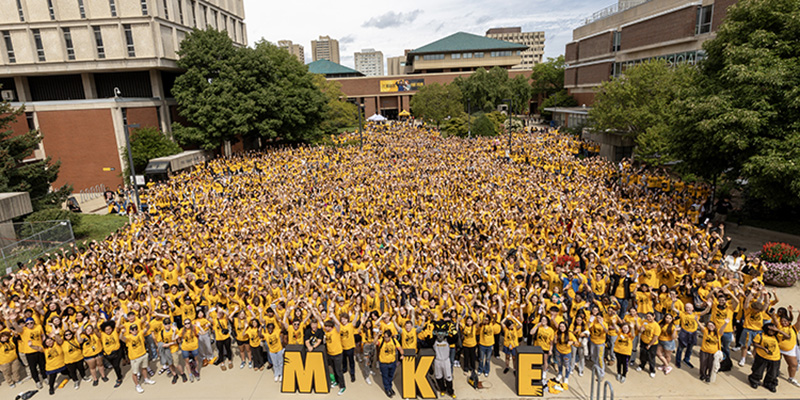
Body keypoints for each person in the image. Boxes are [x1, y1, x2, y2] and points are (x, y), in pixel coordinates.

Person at [748, 322, 785, 393]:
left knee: (773, 373)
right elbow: (755, 343)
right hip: (762, 356)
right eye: (770, 330)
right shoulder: (760, 335)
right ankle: (754, 381)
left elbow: (787, 337)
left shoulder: (777, 336)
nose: (772, 332)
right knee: (758, 370)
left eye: (773, 331)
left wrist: (778, 330)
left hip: (775, 358)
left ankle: (769, 383)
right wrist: (763, 348)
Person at [120, 322, 155, 393]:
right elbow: (121, 338)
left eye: (136, 329)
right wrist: (122, 332)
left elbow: (147, 328)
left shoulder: (140, 333)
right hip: (134, 358)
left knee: (144, 368)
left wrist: (147, 324)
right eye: (132, 329)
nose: (134, 330)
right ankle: (137, 385)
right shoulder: (129, 337)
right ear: (130, 331)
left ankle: (146, 379)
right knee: (135, 372)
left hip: (143, 354)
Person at [376, 329, 401, 398]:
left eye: (387, 337)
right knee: (385, 377)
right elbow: (375, 342)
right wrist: (377, 335)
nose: (385, 338)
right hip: (384, 364)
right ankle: (387, 389)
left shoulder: (394, 341)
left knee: (390, 376)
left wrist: (402, 354)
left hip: (392, 363)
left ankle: (390, 387)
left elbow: (399, 348)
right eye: (384, 337)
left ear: (390, 337)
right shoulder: (381, 341)